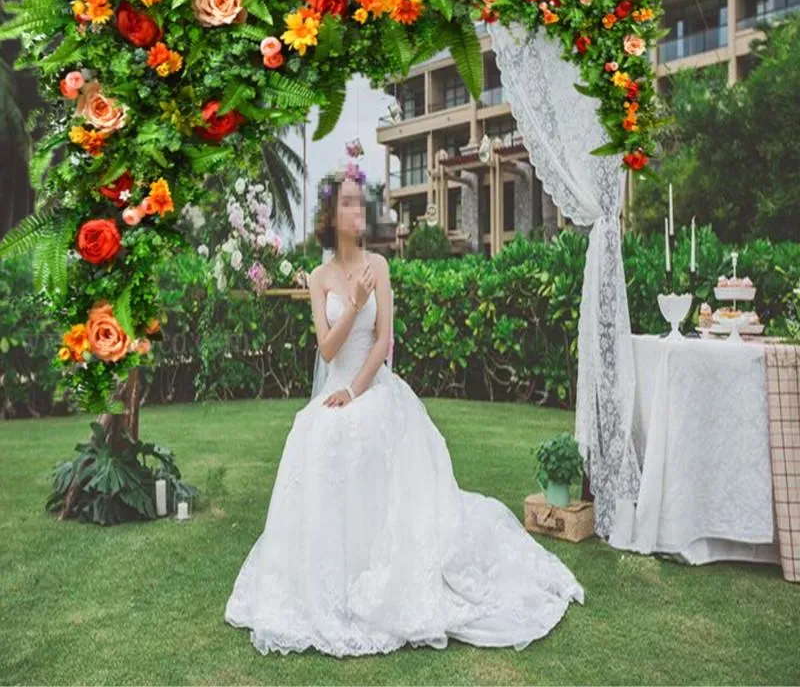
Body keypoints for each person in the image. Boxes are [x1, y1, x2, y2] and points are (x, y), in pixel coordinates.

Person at [224, 162, 585, 658]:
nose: (356, 210)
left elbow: (385, 341)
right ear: (329, 216)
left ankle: (386, 566)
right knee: (318, 437)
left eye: (359, 202)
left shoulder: (380, 266)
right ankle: (330, 578)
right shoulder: (319, 276)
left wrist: (356, 391)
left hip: (374, 387)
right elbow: (327, 350)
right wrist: (351, 306)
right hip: (333, 387)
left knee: (363, 432)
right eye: (346, 203)